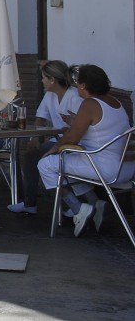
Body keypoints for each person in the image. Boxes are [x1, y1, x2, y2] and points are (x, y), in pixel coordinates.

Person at [37, 64, 134, 236]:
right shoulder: (115, 102)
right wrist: (77, 120)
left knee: (46, 164)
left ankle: (78, 209)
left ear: (83, 85)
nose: (75, 87)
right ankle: (96, 203)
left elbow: (71, 138)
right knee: (72, 160)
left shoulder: (89, 104)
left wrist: (52, 149)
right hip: (126, 168)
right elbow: (101, 127)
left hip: (104, 169)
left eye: (76, 84)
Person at [8, 60, 82, 215]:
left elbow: (78, 128)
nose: (42, 81)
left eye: (44, 77)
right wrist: (35, 138)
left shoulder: (74, 97)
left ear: (52, 80)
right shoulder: (50, 95)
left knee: (41, 158)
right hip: (57, 140)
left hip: (74, 143)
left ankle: (68, 206)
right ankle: (30, 203)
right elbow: (40, 118)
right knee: (30, 156)